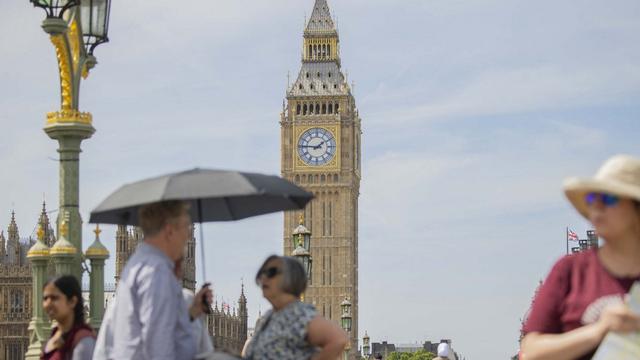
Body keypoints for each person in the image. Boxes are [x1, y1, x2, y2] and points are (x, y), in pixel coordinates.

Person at [521, 154, 640, 360]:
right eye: (592, 199)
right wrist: (599, 330)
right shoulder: (569, 270)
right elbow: (531, 351)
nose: (597, 207)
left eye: (610, 198)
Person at [109, 200, 211, 360]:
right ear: (170, 231)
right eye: (186, 227)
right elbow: (159, 347)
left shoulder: (137, 265)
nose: (188, 236)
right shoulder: (156, 273)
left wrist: (191, 313)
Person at [242, 255, 348, 360]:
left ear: (291, 277)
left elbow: (338, 339)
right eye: (262, 273)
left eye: (271, 272)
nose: (264, 278)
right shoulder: (268, 317)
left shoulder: (298, 314)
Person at [42, 275, 95, 360]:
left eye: (54, 298)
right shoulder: (54, 335)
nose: (48, 303)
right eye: (45, 298)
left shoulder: (83, 340)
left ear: (72, 301)